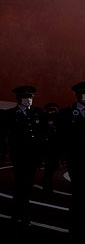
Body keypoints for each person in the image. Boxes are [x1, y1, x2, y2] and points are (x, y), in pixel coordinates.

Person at [57, 81, 85, 241]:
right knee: (78, 192)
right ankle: (76, 225)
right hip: (76, 159)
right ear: (77, 95)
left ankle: (77, 217)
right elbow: (62, 136)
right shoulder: (67, 113)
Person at [1, 86, 45, 227]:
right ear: (19, 99)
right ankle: (20, 212)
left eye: (31, 97)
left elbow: (40, 136)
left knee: (27, 184)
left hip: (32, 155)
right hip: (19, 154)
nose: (29, 100)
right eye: (26, 97)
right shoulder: (10, 114)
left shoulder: (36, 114)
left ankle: (19, 209)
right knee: (21, 183)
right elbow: (3, 134)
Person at [40, 102, 60, 193]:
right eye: (50, 109)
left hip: (56, 145)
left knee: (54, 166)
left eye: (54, 109)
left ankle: (45, 180)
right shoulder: (44, 118)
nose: (52, 111)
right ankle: (47, 184)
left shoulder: (59, 118)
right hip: (47, 145)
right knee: (49, 166)